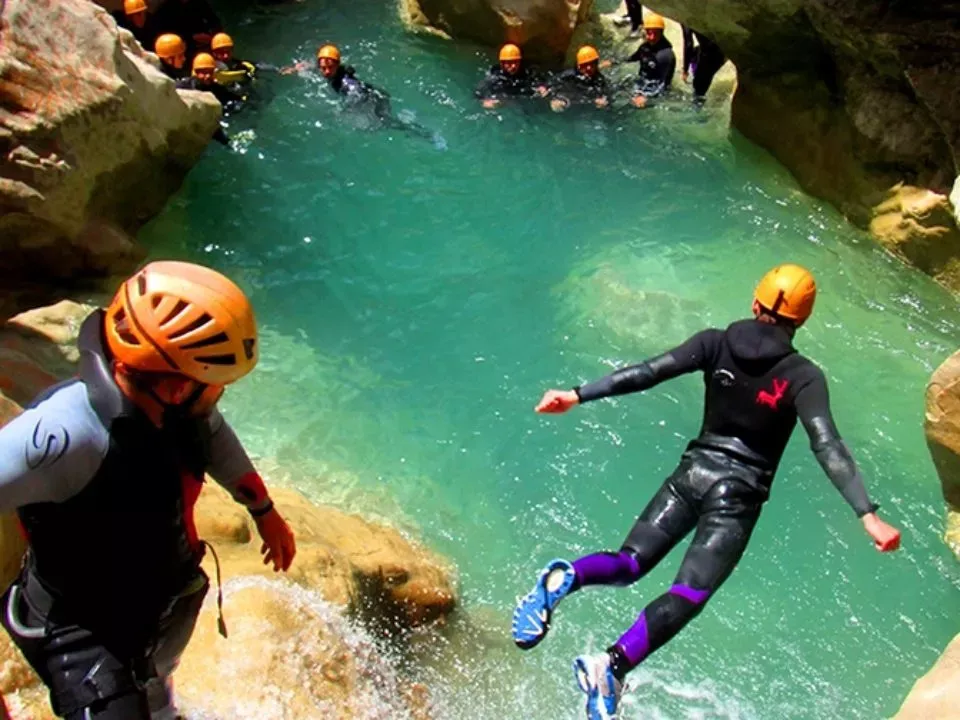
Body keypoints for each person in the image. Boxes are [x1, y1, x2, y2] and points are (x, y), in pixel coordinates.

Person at [511, 264, 902, 719]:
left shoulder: (712, 342)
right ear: (803, 319)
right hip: (735, 498)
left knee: (629, 563)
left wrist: (578, 394)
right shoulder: (803, 376)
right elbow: (827, 444)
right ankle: (611, 666)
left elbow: (646, 372)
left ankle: (563, 579)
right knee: (688, 594)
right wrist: (866, 513)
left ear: (755, 303)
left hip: (691, 476)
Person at [0, 261, 297, 720]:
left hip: (149, 613)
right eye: (217, 387)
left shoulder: (168, 406)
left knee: (156, 688)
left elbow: (214, 435)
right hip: (81, 635)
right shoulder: (68, 436)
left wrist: (263, 510)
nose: (220, 397)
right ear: (179, 387)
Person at [623, 12, 675, 108]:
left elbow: (662, 82)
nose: (652, 37)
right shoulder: (645, 47)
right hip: (643, 83)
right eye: (649, 33)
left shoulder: (665, 55)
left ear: (662, 33)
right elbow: (633, 58)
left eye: (656, 34)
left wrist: (645, 97)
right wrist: (613, 62)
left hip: (656, 91)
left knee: (635, 107)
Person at [544, 46, 611, 113]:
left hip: (583, 97)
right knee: (558, 105)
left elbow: (606, 95)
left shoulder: (599, 79)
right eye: (585, 65)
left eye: (592, 64)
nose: (588, 68)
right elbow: (552, 81)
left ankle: (601, 65)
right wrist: (544, 87)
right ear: (579, 66)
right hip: (568, 94)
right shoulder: (570, 74)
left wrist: (604, 101)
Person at [475, 44, 540, 109]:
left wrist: (543, 88)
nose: (513, 66)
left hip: (522, 95)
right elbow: (479, 91)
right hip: (504, 96)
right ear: (502, 63)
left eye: (516, 62)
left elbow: (540, 81)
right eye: (509, 62)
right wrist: (485, 101)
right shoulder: (497, 75)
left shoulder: (525, 72)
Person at [152, 0, 222, 56]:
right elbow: (166, 34)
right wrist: (192, 38)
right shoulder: (166, 10)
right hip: (182, 48)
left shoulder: (199, 2)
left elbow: (214, 21)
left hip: (205, 42)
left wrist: (215, 38)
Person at [681, 25, 726, 106]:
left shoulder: (685, 17)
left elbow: (688, 44)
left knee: (698, 89)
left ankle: (697, 112)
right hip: (723, 43)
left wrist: (685, 70)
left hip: (714, 52)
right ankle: (698, 74)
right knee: (694, 55)